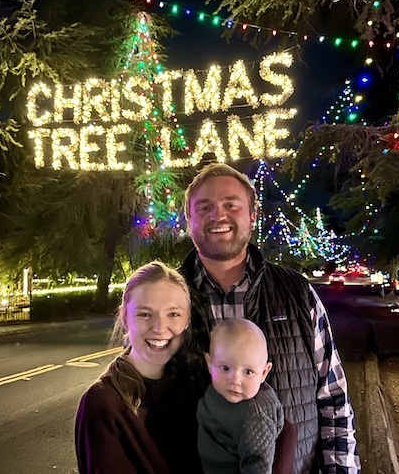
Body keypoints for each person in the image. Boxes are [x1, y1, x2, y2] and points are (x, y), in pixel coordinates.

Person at [179, 162, 360, 474]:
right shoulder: (165, 299)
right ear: (189, 220)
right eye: (204, 207)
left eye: (230, 205)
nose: (218, 215)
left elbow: (333, 400)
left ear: (251, 216)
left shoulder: (297, 292)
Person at [74, 261, 207, 474]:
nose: (160, 328)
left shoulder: (200, 384)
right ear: (125, 318)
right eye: (145, 314)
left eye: (173, 314)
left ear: (187, 321)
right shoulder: (104, 403)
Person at [197, 318, 296, 474]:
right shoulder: (216, 391)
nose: (235, 380)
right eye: (225, 368)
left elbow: (258, 466)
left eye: (248, 372)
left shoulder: (254, 416)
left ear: (264, 372)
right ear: (209, 364)